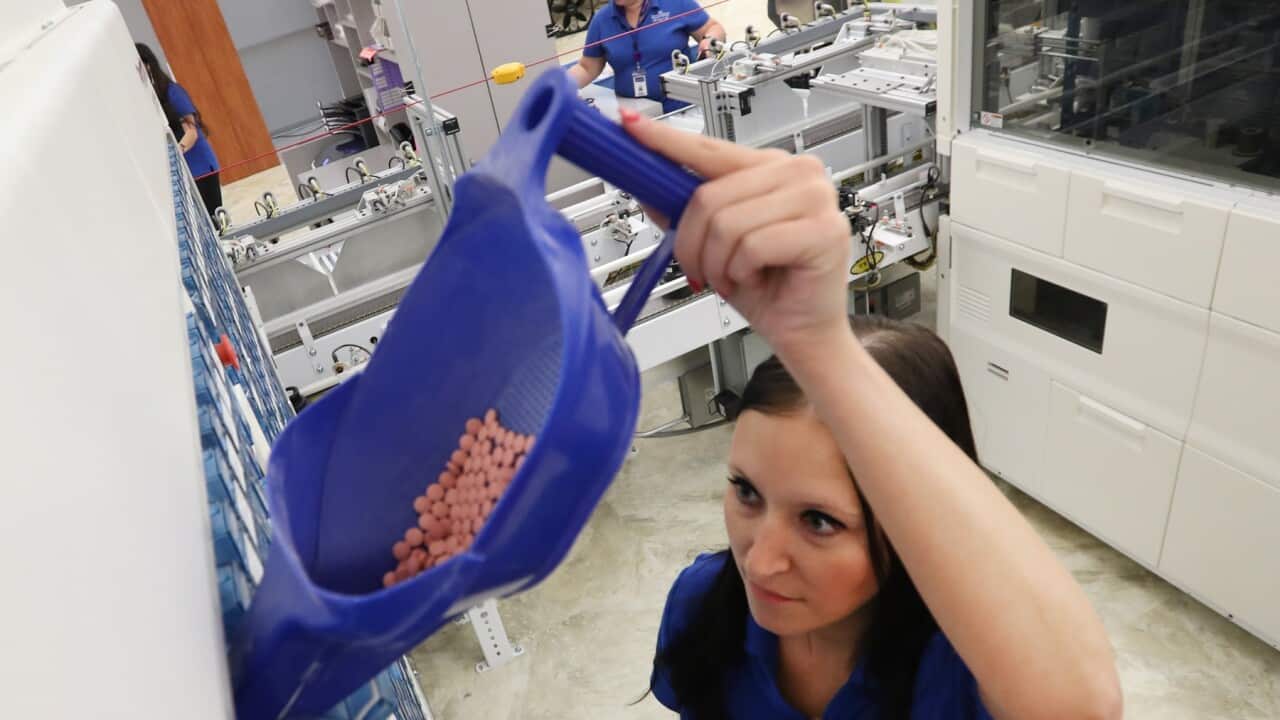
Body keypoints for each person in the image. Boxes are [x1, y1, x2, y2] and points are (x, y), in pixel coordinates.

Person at [620, 109, 1123, 720]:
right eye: (747, 492)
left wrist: (821, 344)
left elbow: (1079, 706)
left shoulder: (959, 673)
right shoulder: (705, 606)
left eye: (820, 521)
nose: (760, 558)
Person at [568, 0, 726, 114]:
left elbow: (713, 28)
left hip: (683, 108)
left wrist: (709, 41)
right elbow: (587, 67)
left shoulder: (676, 4)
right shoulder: (602, 20)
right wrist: (559, 84)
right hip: (635, 116)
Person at [136, 43, 222, 218]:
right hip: (183, 169)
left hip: (200, 165)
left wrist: (176, 153)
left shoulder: (172, 92)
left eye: (140, 67)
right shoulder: (151, 97)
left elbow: (191, 132)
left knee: (213, 218)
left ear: (148, 64)